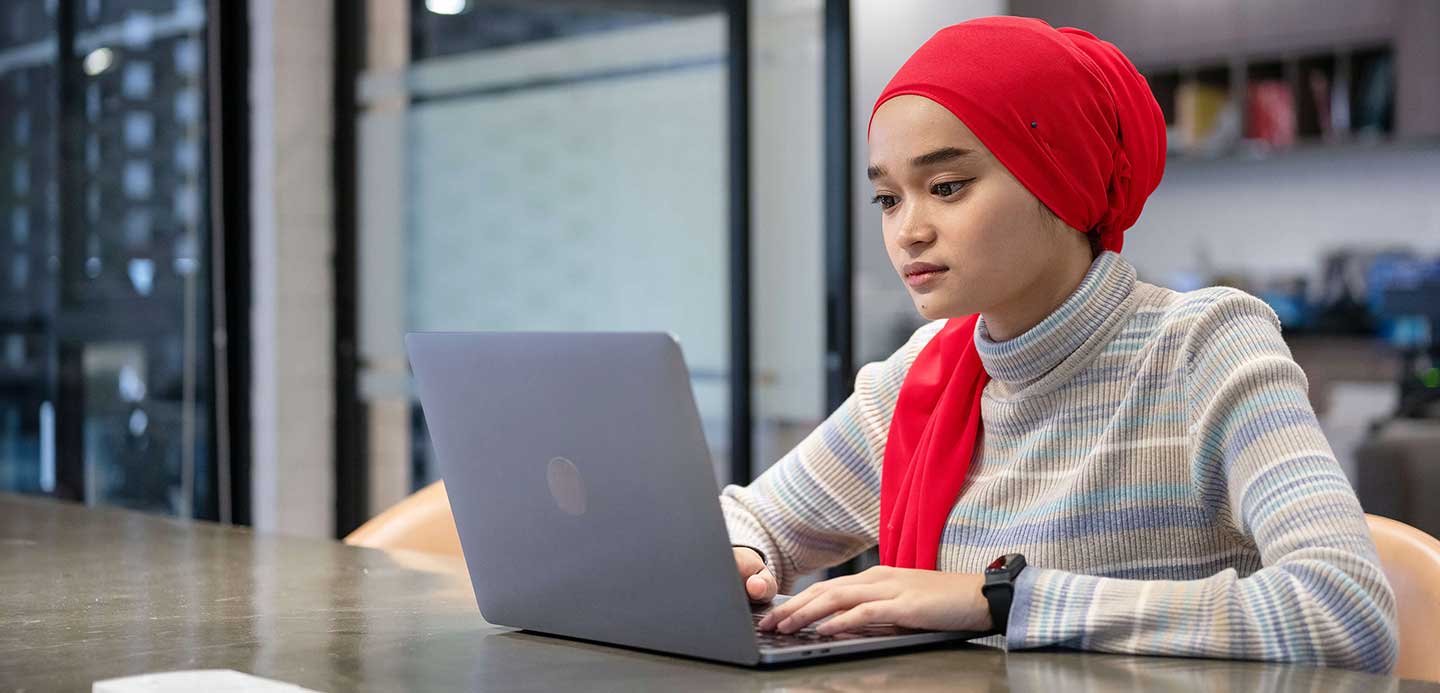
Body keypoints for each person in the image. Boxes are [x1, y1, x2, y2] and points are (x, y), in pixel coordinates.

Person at [721, 16, 1397, 673]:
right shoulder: (918, 379)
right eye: (889, 199)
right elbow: (747, 516)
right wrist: (743, 557)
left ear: (1059, 174)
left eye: (947, 187)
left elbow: (1345, 609)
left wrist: (1004, 599)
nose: (909, 231)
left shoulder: (1204, 346)